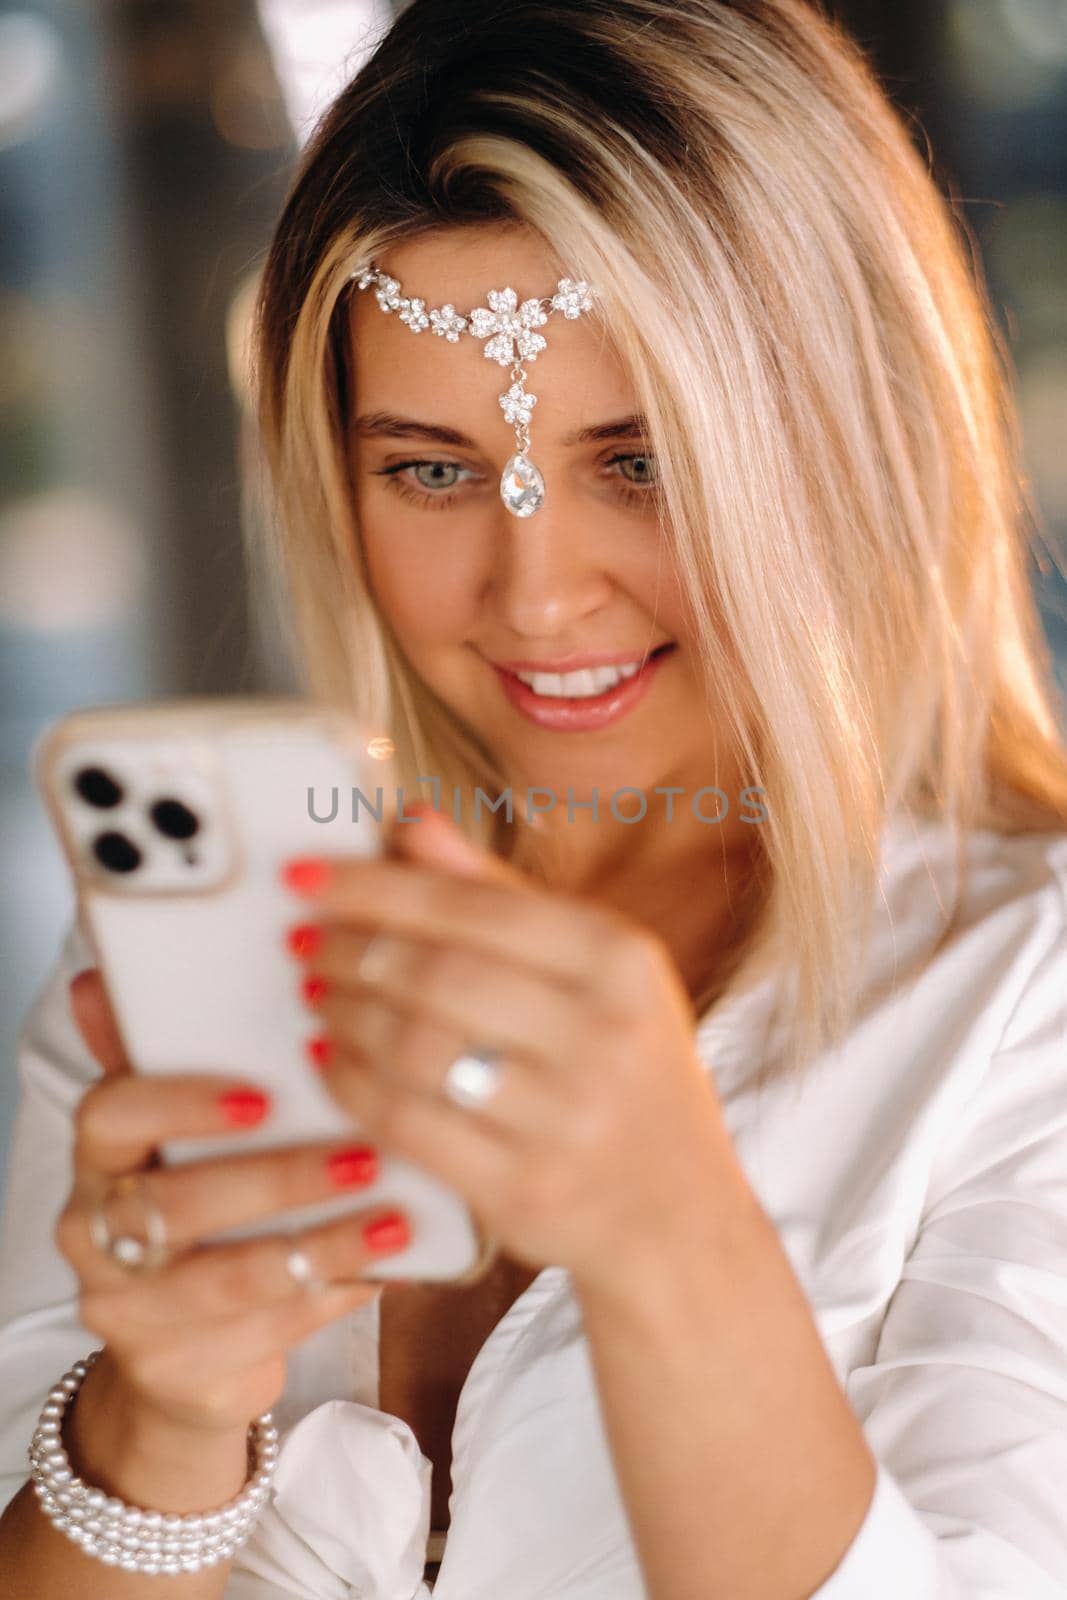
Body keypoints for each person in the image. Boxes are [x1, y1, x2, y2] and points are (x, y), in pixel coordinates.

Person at [2, 0, 1067, 1594]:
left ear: (846, 435)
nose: (539, 594)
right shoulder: (211, 957)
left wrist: (664, 1230)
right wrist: (160, 1416)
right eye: (429, 469)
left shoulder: (1024, 989)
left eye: (640, 462)